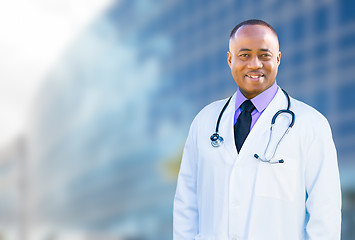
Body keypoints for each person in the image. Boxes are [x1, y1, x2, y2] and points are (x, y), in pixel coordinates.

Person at [173, 19, 341, 240]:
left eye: (264, 55)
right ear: (229, 59)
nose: (255, 64)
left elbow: (325, 212)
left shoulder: (311, 124)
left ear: (278, 59)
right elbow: (186, 203)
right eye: (244, 55)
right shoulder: (205, 121)